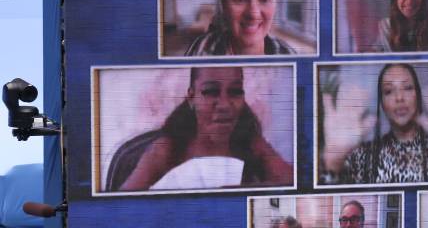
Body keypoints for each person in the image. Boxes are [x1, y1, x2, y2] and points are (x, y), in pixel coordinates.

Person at [106, 67, 292, 192]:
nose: (225, 105)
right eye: (211, 92)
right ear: (191, 97)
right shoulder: (168, 148)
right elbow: (121, 205)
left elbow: (292, 182)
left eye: (235, 92)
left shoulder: (250, 142)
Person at [321, 63, 428, 185]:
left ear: (418, 96)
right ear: (382, 104)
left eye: (407, 88)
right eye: (389, 91)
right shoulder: (364, 156)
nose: (399, 97)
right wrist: (333, 158)